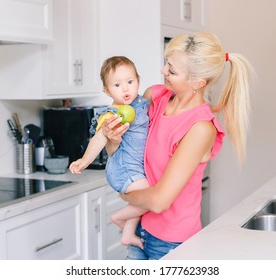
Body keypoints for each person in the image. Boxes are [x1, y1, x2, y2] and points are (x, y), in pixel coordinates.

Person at [102, 32, 254, 259]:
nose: (163, 71)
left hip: (171, 242)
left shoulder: (200, 128)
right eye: (166, 64)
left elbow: (159, 201)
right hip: (139, 228)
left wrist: (125, 196)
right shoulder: (154, 96)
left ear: (197, 82)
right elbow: (123, 152)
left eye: (171, 70)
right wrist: (112, 141)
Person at [69, 56, 149, 249]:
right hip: (123, 168)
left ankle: (128, 234)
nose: (126, 88)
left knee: (148, 196)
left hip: (136, 167)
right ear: (107, 90)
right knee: (153, 198)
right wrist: (85, 160)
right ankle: (118, 217)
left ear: (138, 80)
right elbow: (99, 139)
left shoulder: (141, 103)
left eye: (130, 82)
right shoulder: (111, 115)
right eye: (117, 85)